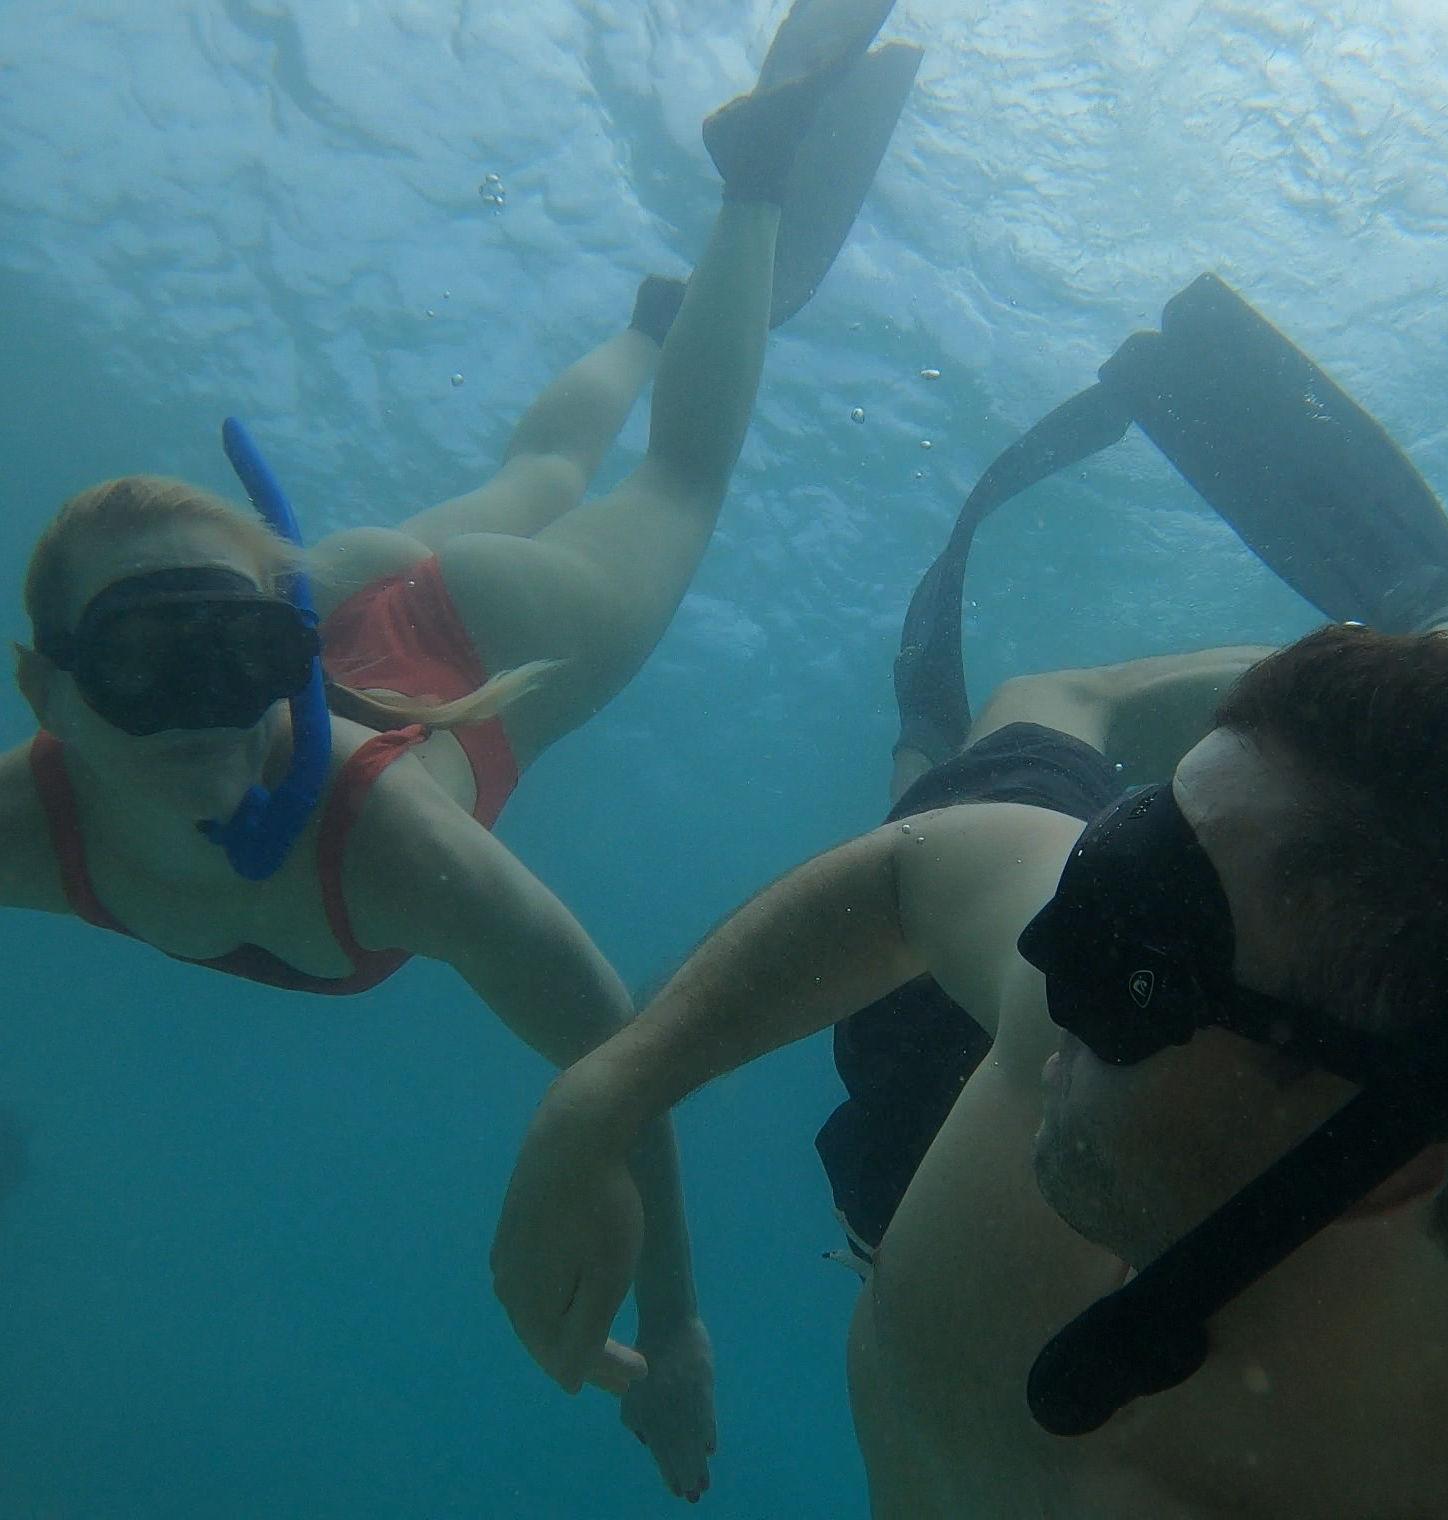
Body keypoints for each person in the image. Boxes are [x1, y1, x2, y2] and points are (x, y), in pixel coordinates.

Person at [0, 0, 917, 1501]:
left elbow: (628, 1058)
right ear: (49, 695)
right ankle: (644, 321)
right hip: (327, 583)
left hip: (466, 636)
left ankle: (755, 181)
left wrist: (679, 1336)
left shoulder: (397, 852)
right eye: (144, 674)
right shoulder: (24, 825)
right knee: (539, 470)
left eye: (234, 660)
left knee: (673, 487)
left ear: (280, 645)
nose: (207, 719)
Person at [492, 283, 1448, 1516]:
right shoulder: (1081, 1001)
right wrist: (606, 1094)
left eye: (1139, 960)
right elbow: (921, 870)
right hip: (1002, 1136)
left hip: (918, 1193)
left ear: (1377, 1162)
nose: (1046, 952)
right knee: (1052, 706)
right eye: (1125, 855)